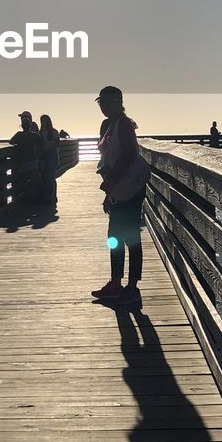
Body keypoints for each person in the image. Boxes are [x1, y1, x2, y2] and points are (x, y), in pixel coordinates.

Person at [90, 86, 149, 307]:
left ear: (118, 101)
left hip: (130, 190)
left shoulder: (124, 124)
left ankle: (132, 287)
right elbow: (109, 159)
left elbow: (128, 156)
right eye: (100, 103)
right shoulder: (108, 125)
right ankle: (116, 283)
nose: (102, 107)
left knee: (131, 237)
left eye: (106, 102)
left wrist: (111, 184)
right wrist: (110, 192)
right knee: (114, 236)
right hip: (117, 190)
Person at [9, 111, 43, 205]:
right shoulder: (34, 135)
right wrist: (38, 154)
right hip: (33, 161)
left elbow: (11, 142)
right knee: (33, 181)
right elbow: (42, 143)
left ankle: (27, 196)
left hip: (23, 161)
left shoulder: (19, 135)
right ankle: (32, 196)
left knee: (24, 180)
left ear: (22, 126)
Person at [39, 114, 60, 209]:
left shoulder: (54, 132)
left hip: (52, 156)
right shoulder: (41, 133)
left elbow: (57, 143)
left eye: (45, 120)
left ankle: (53, 196)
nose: (43, 122)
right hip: (44, 157)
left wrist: (48, 146)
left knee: (51, 176)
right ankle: (47, 196)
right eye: (42, 121)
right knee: (45, 177)